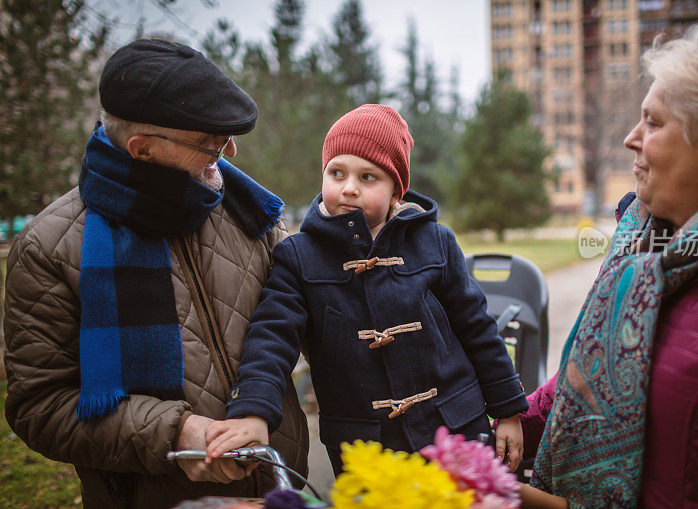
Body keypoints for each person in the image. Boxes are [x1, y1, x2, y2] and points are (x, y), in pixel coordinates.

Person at [3, 39, 309, 508]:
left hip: (277, 489)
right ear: (142, 149)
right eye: (208, 141)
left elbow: (299, 313)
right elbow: (40, 407)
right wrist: (174, 433)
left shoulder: (252, 215)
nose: (227, 152)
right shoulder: (48, 248)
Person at [520, 20, 698, 507]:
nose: (632, 138)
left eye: (653, 122)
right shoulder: (647, 246)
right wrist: (490, 427)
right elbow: (587, 377)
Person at [202, 104, 529, 475]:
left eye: (368, 177)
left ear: (395, 192)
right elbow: (272, 336)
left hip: (454, 428)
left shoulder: (435, 242)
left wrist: (507, 411)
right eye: (336, 172)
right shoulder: (298, 256)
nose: (349, 187)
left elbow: (477, 327)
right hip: (365, 446)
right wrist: (253, 410)